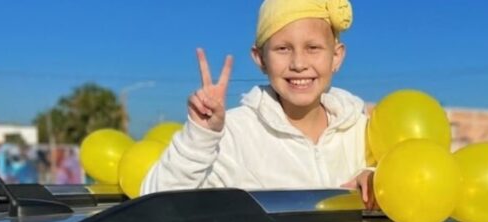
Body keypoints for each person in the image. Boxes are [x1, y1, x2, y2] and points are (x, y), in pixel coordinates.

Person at [141, 0, 375, 208]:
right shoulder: (233, 134)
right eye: (282, 49)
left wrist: (378, 179)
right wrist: (200, 136)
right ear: (260, 59)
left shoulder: (364, 129)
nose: (298, 63)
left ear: (336, 56)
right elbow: (153, 205)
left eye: (313, 48)